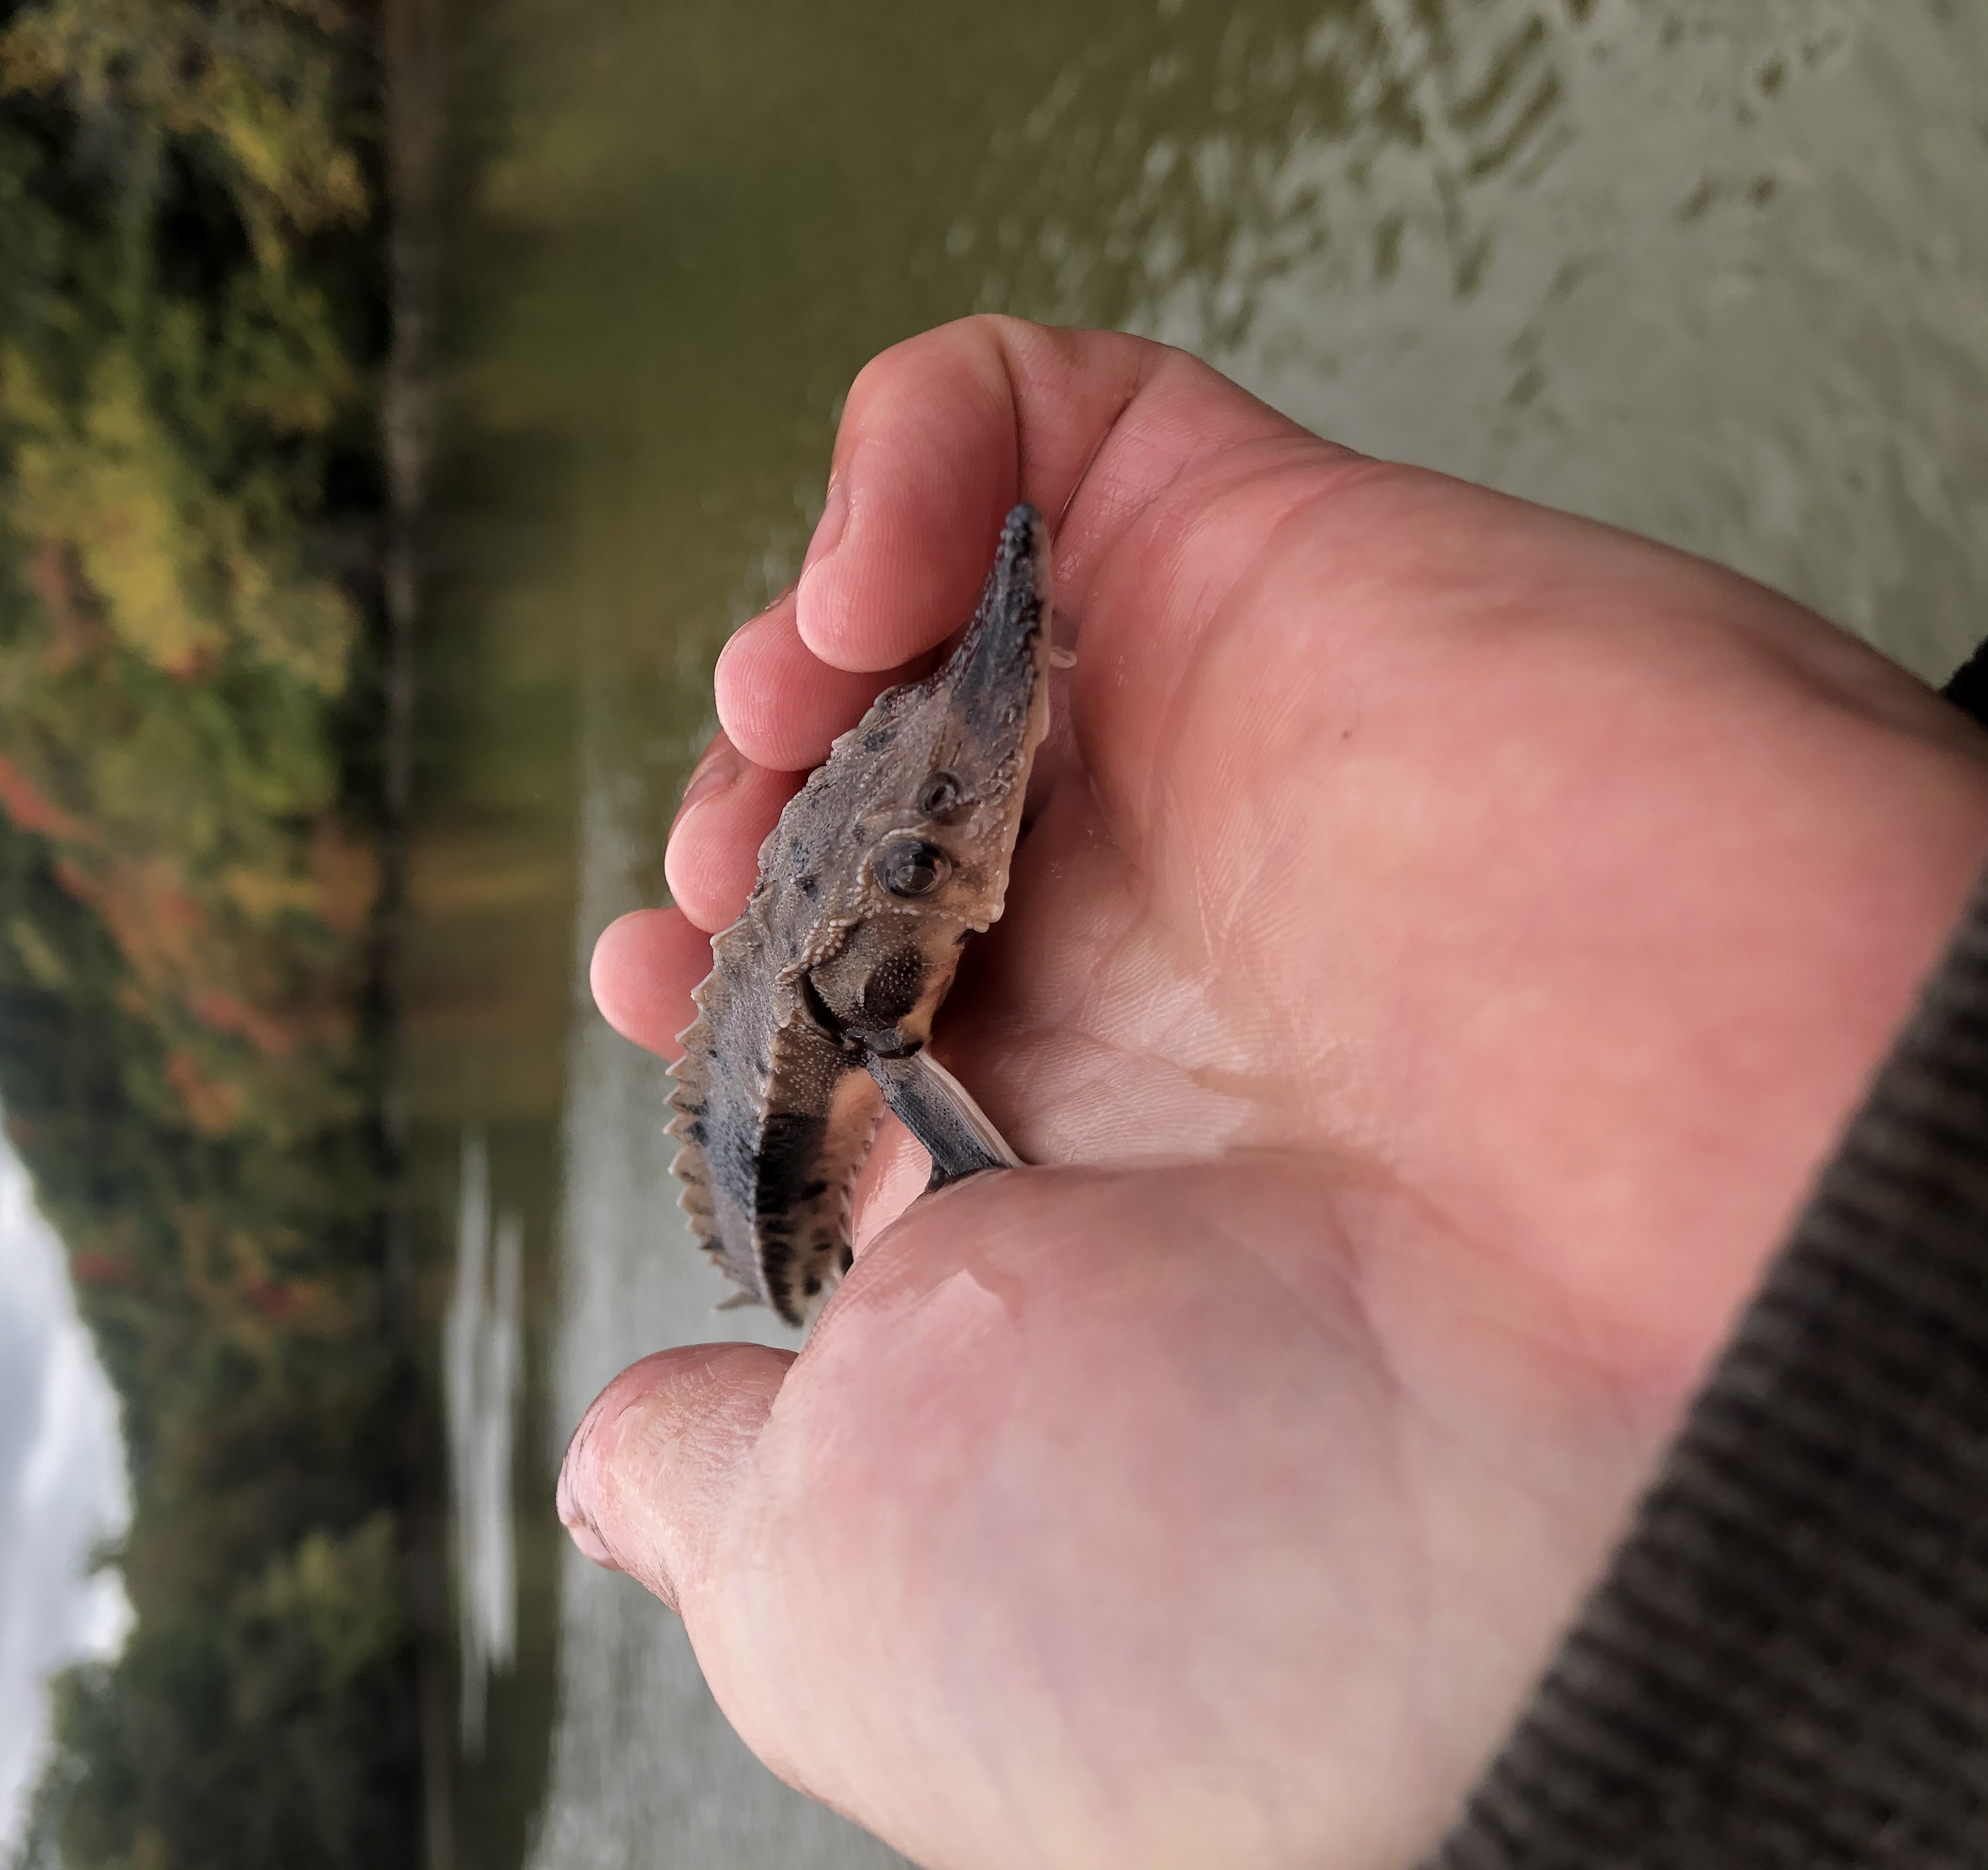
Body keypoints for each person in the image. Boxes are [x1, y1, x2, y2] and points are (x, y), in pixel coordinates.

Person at [567, 317, 1988, 1869]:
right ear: (877, 993)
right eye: (925, 858)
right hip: (795, 1164)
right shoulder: (883, 1060)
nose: (976, 789)